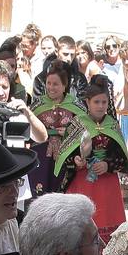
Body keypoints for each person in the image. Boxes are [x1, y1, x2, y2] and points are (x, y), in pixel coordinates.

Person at [55, 75, 128, 244]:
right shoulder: (76, 124)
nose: (101, 106)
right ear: (88, 102)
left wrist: (108, 165)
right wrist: (76, 161)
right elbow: (64, 155)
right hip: (83, 183)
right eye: (96, 102)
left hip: (107, 184)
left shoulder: (112, 124)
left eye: (104, 102)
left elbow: (121, 155)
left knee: (107, 219)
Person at [29, 61, 84, 198]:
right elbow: (28, 130)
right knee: (39, 195)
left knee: (61, 196)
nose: (51, 87)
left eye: (55, 84)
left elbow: (86, 131)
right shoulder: (37, 105)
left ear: (64, 86)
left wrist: (69, 132)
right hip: (41, 156)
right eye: (48, 83)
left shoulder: (76, 106)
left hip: (66, 157)